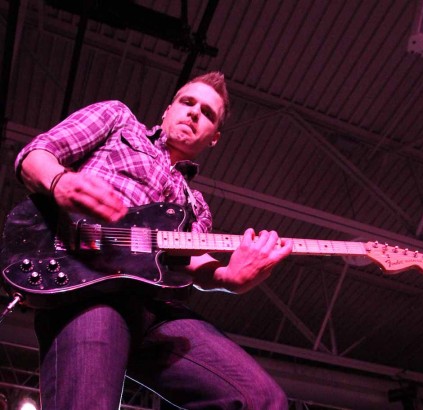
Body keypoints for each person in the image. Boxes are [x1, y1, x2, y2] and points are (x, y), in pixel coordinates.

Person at [14, 71, 293, 409]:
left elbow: (191, 263)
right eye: (188, 103)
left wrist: (227, 278)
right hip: (88, 285)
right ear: (167, 110)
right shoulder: (119, 121)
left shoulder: (197, 205)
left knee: (262, 400)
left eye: (207, 113)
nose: (194, 113)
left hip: (157, 309)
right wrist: (59, 181)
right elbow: (36, 154)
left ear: (214, 138)